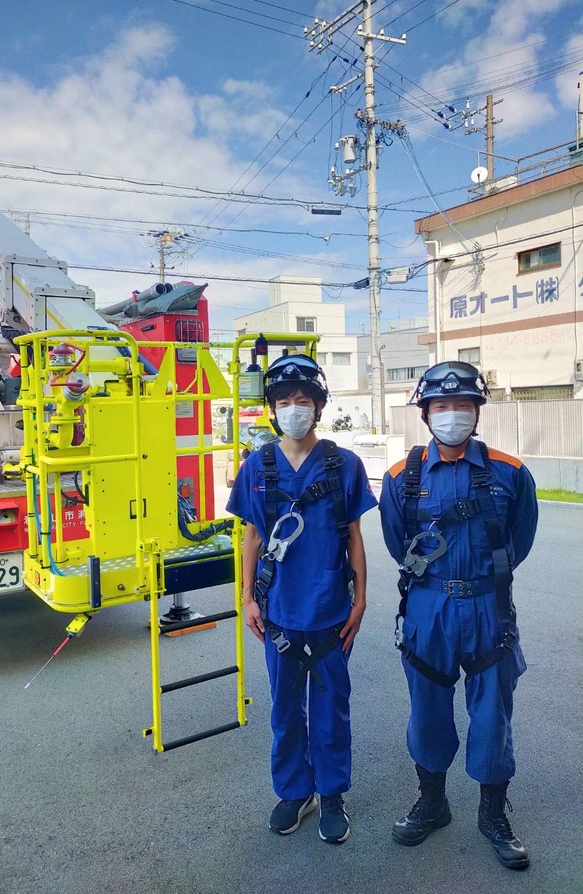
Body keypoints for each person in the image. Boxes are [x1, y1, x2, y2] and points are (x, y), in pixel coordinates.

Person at [378, 361, 538, 870]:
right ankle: (433, 802)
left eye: (462, 405)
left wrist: (483, 580)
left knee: (492, 716)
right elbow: (395, 543)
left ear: (477, 411)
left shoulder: (510, 471)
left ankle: (492, 813)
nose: (452, 415)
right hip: (428, 607)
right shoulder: (402, 478)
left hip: (490, 608)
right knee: (427, 711)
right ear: (425, 413)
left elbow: (521, 539)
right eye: (441, 406)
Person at [227, 353, 377, 844]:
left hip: (332, 609)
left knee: (332, 708)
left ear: (319, 406)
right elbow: (252, 537)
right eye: (285, 401)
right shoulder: (256, 466)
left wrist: (360, 599)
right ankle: (296, 791)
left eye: (304, 400)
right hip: (279, 613)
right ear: (272, 409)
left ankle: (331, 793)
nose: (295, 408)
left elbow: (353, 535)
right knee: (285, 710)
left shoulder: (344, 465)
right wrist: (249, 598)